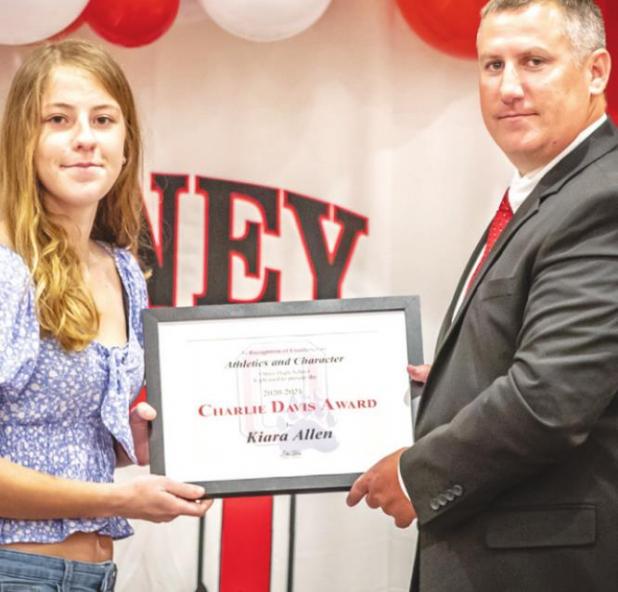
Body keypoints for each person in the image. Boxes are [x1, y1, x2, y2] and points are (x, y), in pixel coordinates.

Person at [346, 1, 618, 590]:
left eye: (534, 61)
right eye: (492, 65)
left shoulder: (603, 198)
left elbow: (551, 398)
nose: (509, 86)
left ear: (596, 72)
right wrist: (447, 382)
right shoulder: (550, 191)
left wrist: (417, 476)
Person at [0, 40, 211, 590]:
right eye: (58, 119)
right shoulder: (6, 269)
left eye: (103, 119)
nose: (86, 139)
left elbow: (49, 442)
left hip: (93, 575)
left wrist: (128, 446)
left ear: (126, 143)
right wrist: (119, 498)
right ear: (24, 139)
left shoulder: (122, 271)